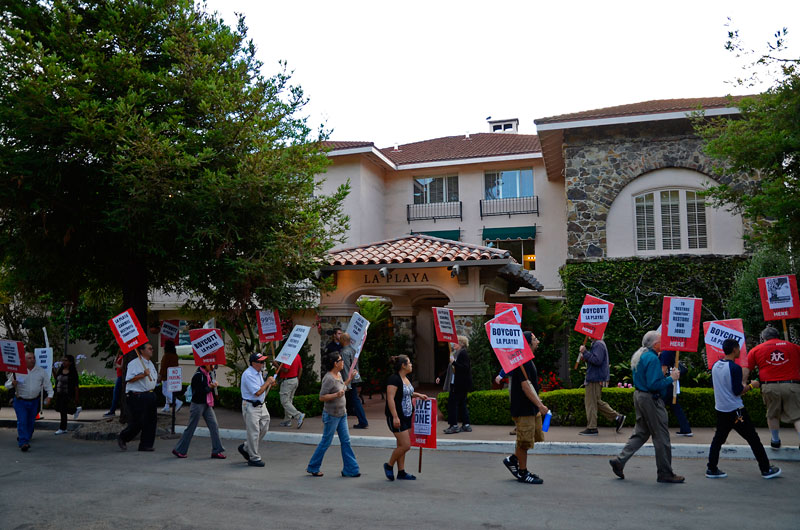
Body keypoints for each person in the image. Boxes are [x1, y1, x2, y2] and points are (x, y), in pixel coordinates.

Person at [609, 331, 683, 483]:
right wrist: (671, 378)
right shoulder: (652, 358)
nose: (663, 344)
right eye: (661, 341)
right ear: (655, 344)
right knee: (661, 435)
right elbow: (654, 384)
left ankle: (620, 461)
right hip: (650, 399)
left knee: (641, 432)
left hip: (639, 396)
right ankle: (665, 473)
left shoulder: (640, 355)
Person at [706, 339, 780, 479]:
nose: (740, 351)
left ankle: (711, 468)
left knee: (718, 440)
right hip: (736, 411)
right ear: (734, 350)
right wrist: (753, 385)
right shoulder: (734, 368)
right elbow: (737, 391)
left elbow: (715, 386)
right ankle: (766, 469)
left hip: (721, 409)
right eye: (738, 348)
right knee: (753, 439)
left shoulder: (716, 365)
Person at [501, 331, 550, 484]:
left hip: (530, 408)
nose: (538, 342)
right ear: (528, 342)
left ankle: (512, 460)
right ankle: (523, 472)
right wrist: (540, 405)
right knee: (524, 441)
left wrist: (538, 403)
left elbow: (531, 386)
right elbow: (525, 387)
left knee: (530, 439)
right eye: (535, 339)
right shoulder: (522, 362)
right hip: (524, 409)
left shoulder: (527, 360)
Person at [744, 325, 800, 450]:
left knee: (772, 414)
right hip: (792, 385)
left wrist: (743, 384)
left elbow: (746, 369)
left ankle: (775, 441)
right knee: (798, 416)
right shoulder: (794, 347)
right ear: (778, 336)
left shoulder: (756, 349)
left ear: (764, 338)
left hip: (769, 387)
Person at [306, 352, 360, 477]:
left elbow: (342, 388)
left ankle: (351, 469)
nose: (343, 362)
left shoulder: (339, 375)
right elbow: (322, 397)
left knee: (346, 441)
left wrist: (350, 379)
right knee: (326, 441)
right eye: (341, 360)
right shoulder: (329, 378)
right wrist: (336, 395)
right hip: (331, 415)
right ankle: (313, 466)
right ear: (335, 363)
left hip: (342, 414)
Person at [383, 355, 430, 481]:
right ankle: (389, 465)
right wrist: (395, 417)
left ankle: (401, 472)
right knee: (406, 445)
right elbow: (390, 398)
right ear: (403, 365)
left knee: (401, 445)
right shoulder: (394, 379)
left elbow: (406, 392)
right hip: (397, 416)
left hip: (407, 415)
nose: (411, 365)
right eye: (409, 363)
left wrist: (418, 394)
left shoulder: (406, 378)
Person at [172, 364, 226, 459]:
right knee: (191, 427)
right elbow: (200, 391)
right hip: (198, 404)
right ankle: (179, 449)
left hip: (207, 403)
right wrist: (210, 387)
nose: (213, 366)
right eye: (211, 364)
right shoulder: (198, 375)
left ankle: (217, 450)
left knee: (214, 425)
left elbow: (209, 387)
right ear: (204, 364)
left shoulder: (210, 374)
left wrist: (212, 386)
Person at [4, 351, 53, 451]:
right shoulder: (17, 371)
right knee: (22, 421)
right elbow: (7, 385)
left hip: (34, 401)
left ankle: (26, 435)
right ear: (24, 360)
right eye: (29, 358)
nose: (32, 360)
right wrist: (12, 384)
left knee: (30, 421)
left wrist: (49, 396)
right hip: (20, 401)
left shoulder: (41, 371)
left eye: (33, 358)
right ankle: (23, 442)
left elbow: (48, 385)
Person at [577, 338, 625, 435]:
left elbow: (597, 360)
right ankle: (617, 417)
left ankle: (592, 428)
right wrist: (585, 356)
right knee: (595, 402)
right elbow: (595, 359)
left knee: (591, 403)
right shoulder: (597, 344)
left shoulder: (598, 344)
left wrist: (585, 352)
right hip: (595, 377)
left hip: (595, 378)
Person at [117, 342, 158, 452]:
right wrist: (143, 375)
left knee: (151, 421)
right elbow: (128, 379)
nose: (152, 350)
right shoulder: (134, 363)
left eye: (152, 348)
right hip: (137, 395)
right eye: (149, 348)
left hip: (149, 394)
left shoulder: (150, 364)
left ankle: (146, 444)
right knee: (138, 421)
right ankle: (124, 437)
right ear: (142, 351)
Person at [239, 352, 275, 467]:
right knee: (253, 432)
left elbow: (262, 388)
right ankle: (254, 457)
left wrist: (269, 383)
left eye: (263, 361)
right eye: (260, 362)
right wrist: (268, 382)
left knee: (264, 425)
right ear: (253, 363)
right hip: (251, 405)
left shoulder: (258, 372)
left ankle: (246, 447)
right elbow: (257, 392)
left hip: (261, 404)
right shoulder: (248, 374)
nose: (263, 364)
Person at [442, 335, 473, 434]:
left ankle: (454, 425)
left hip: (459, 384)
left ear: (461, 344)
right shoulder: (457, 354)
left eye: (455, 342)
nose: (453, 344)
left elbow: (465, 368)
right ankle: (466, 424)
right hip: (458, 383)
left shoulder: (462, 354)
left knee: (453, 404)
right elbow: (450, 369)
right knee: (461, 404)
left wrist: (454, 363)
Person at [659, 349, 692, 436]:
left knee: (659, 405)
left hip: (667, 382)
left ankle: (658, 428)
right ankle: (685, 428)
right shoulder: (671, 351)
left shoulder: (665, 352)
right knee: (675, 405)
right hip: (671, 381)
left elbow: (663, 369)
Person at [340, 332, 368, 429]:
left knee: (354, 400)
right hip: (355, 377)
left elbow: (346, 368)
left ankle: (363, 421)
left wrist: (347, 383)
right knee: (352, 400)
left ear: (343, 340)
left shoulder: (344, 352)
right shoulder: (353, 350)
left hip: (349, 380)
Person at [275, 351, 305, 429]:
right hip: (294, 379)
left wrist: (276, 365)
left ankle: (298, 416)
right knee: (289, 401)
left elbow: (285, 370)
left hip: (287, 381)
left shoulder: (287, 356)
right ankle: (287, 420)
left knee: (284, 401)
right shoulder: (297, 355)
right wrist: (297, 379)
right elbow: (301, 368)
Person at [53, 354, 81, 435]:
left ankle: (62, 428)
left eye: (66, 360)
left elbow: (76, 385)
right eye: (63, 360)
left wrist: (76, 397)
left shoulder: (73, 372)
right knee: (58, 408)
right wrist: (52, 371)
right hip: (59, 393)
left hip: (67, 394)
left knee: (63, 411)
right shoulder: (61, 370)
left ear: (70, 362)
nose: (63, 362)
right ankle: (75, 410)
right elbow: (57, 378)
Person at [158, 340, 183, 414]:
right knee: (169, 391)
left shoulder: (166, 355)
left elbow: (164, 367)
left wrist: (160, 376)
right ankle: (167, 406)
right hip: (173, 375)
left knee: (165, 391)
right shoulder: (175, 355)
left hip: (166, 376)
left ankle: (177, 402)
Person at [103, 352, 124, 417]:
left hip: (121, 377)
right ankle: (112, 410)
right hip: (119, 376)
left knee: (116, 394)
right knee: (117, 394)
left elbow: (122, 367)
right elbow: (115, 362)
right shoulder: (120, 356)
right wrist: (116, 356)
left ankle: (112, 411)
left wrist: (116, 364)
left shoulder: (124, 357)